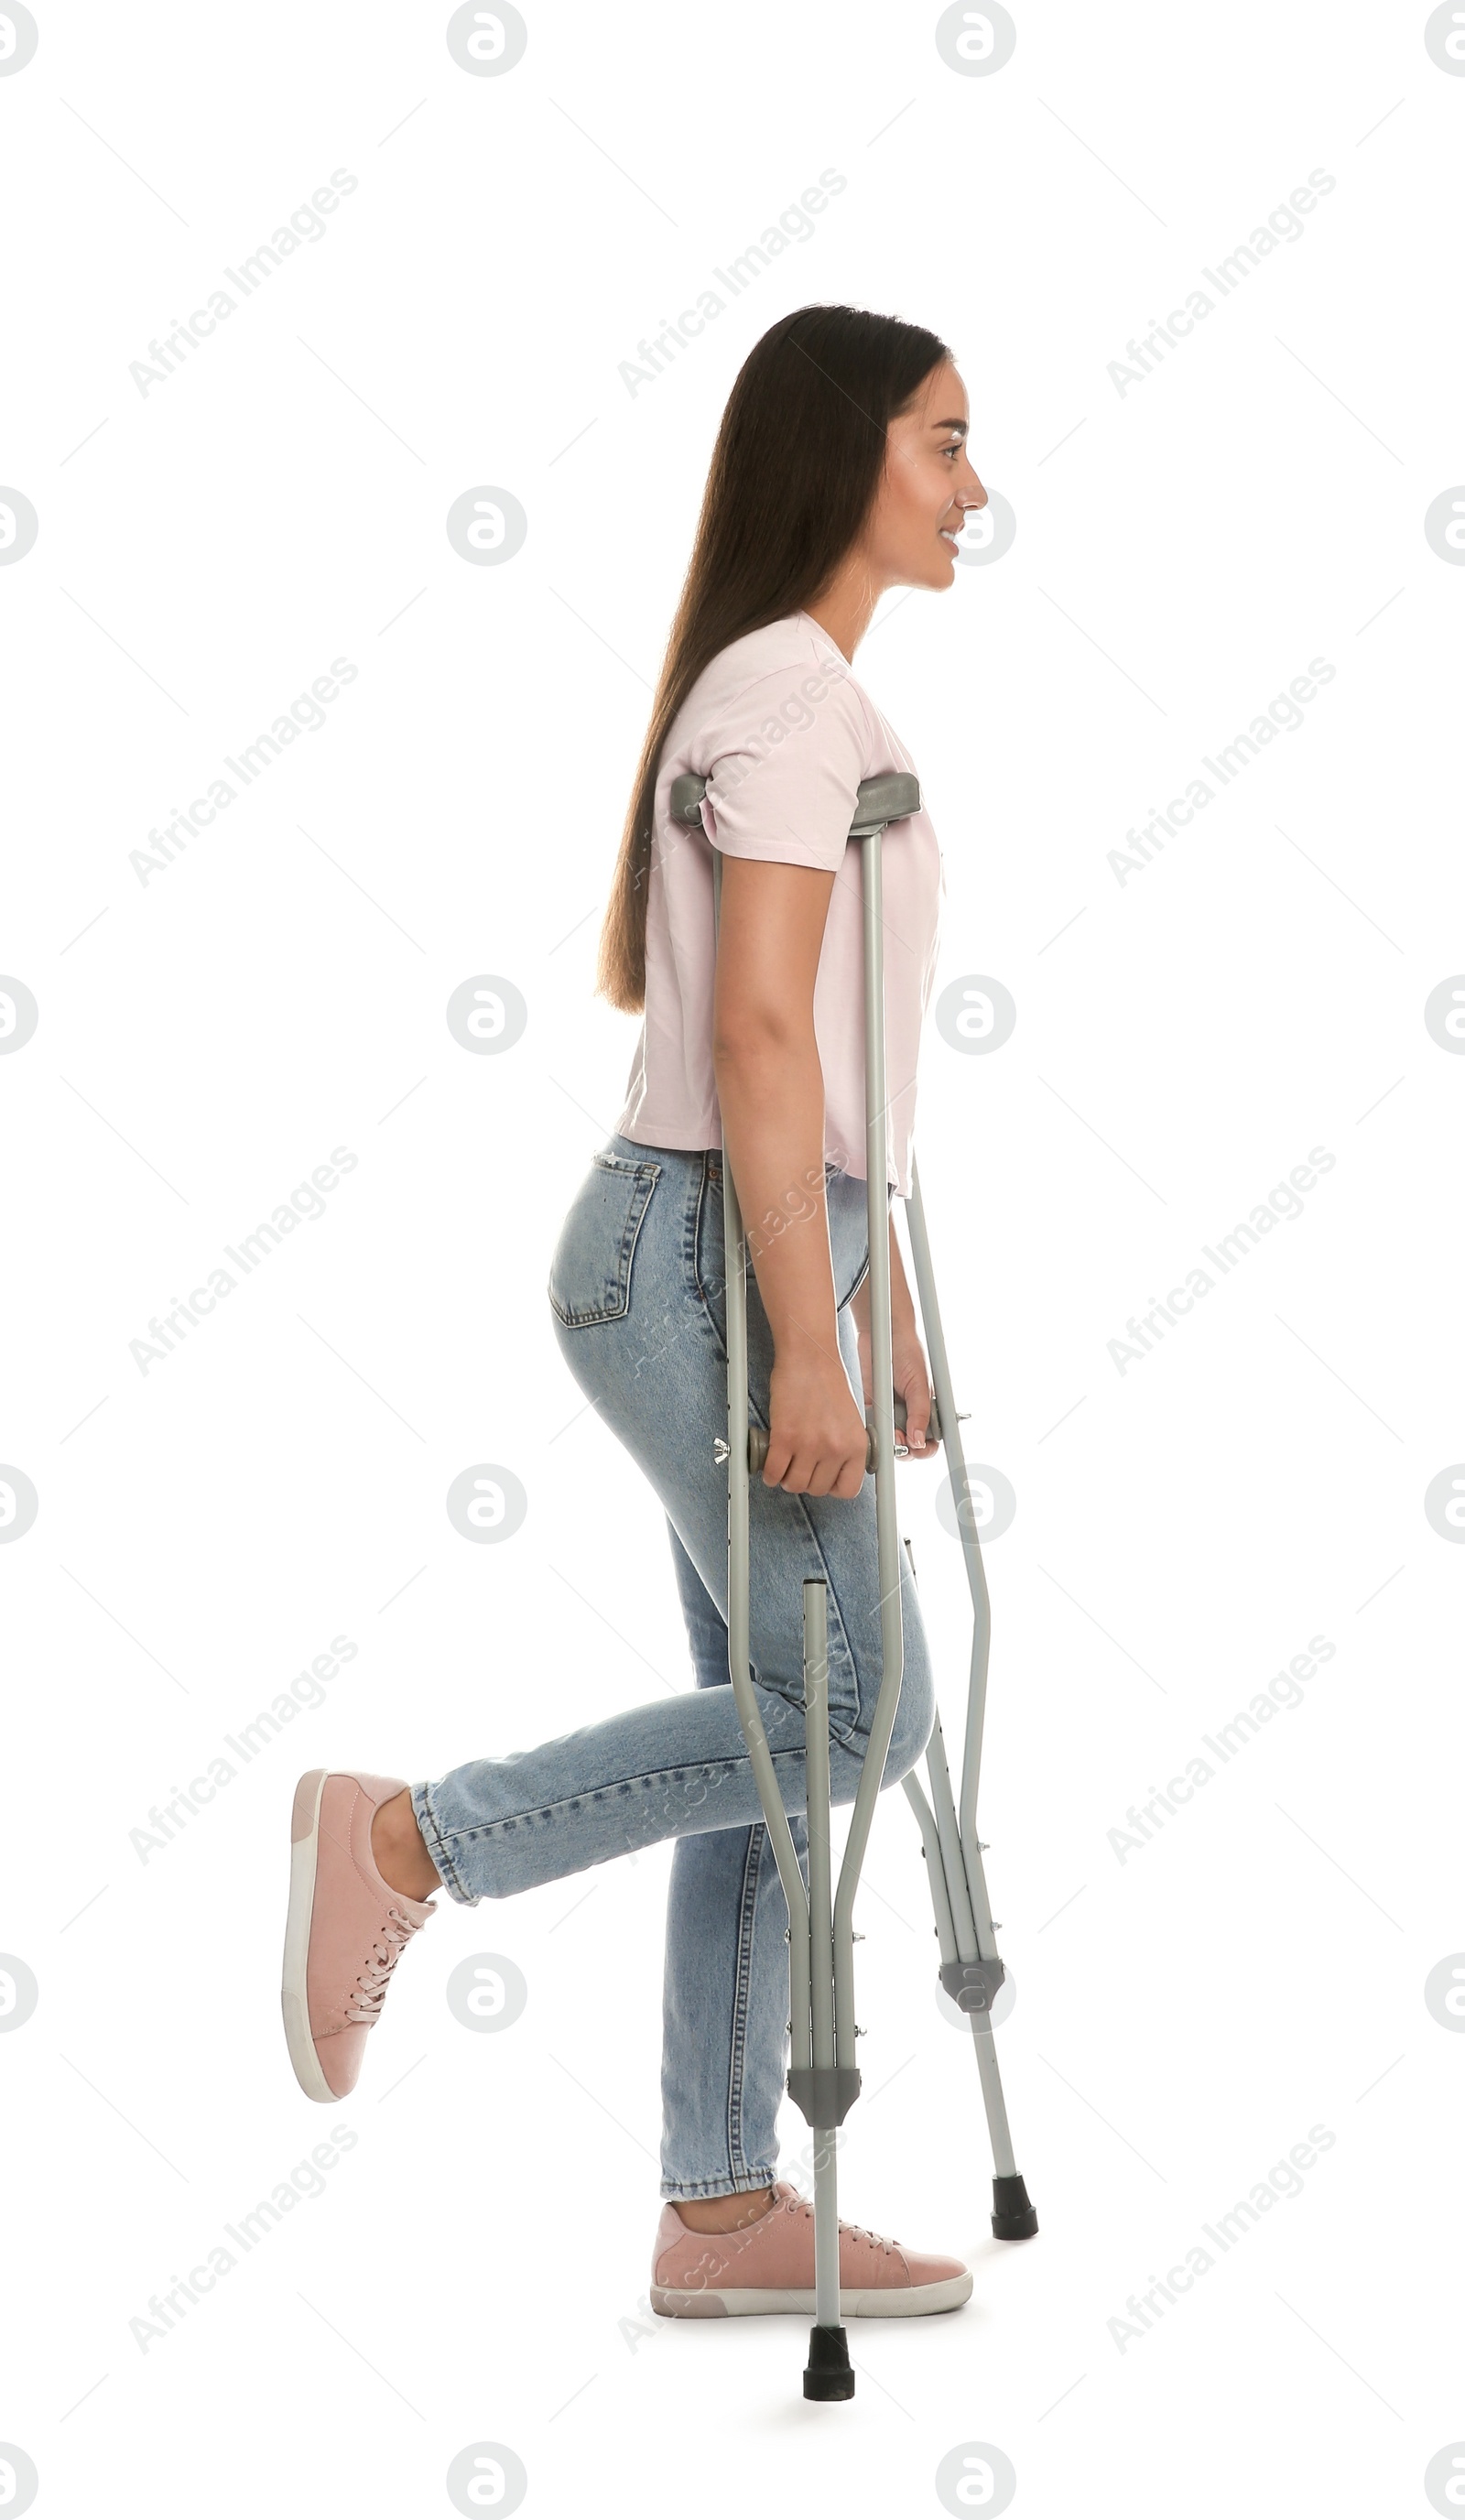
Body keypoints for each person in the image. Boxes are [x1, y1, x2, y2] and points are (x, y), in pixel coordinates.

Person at [281, 303, 989, 2319]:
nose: (970, 483)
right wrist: (802, 1318)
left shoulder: (803, 696)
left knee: (771, 1735)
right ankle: (413, 1839)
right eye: (941, 440)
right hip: (706, 1254)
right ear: (841, 454)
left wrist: (878, 1296)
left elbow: (836, 1053)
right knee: (855, 1714)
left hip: (764, 1244)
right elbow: (760, 1034)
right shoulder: (783, 703)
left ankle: (713, 2202)